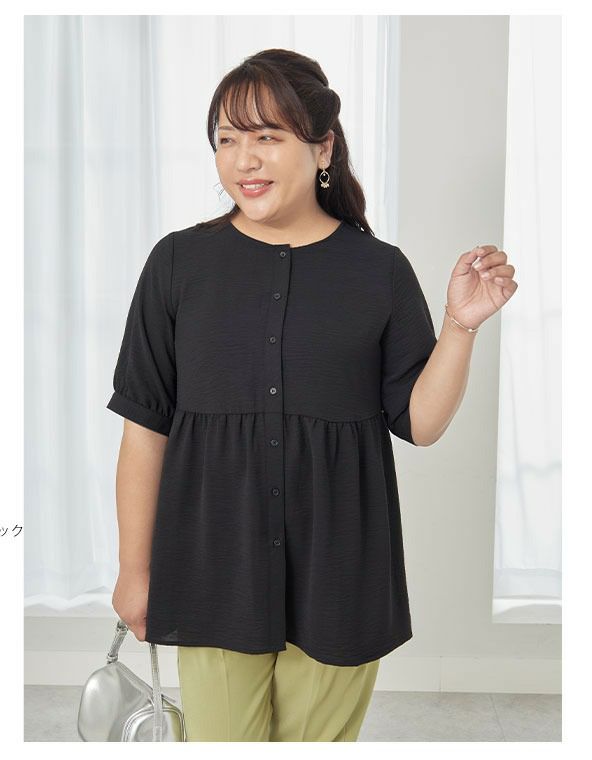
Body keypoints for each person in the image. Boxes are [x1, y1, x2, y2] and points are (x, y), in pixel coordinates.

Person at [108, 48, 518, 742]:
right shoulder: (177, 263)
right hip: (214, 567)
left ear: (322, 148)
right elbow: (145, 428)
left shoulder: (379, 271)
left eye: (267, 137)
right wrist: (133, 569)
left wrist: (460, 325)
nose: (244, 160)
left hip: (342, 572)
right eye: (227, 140)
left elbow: (420, 423)